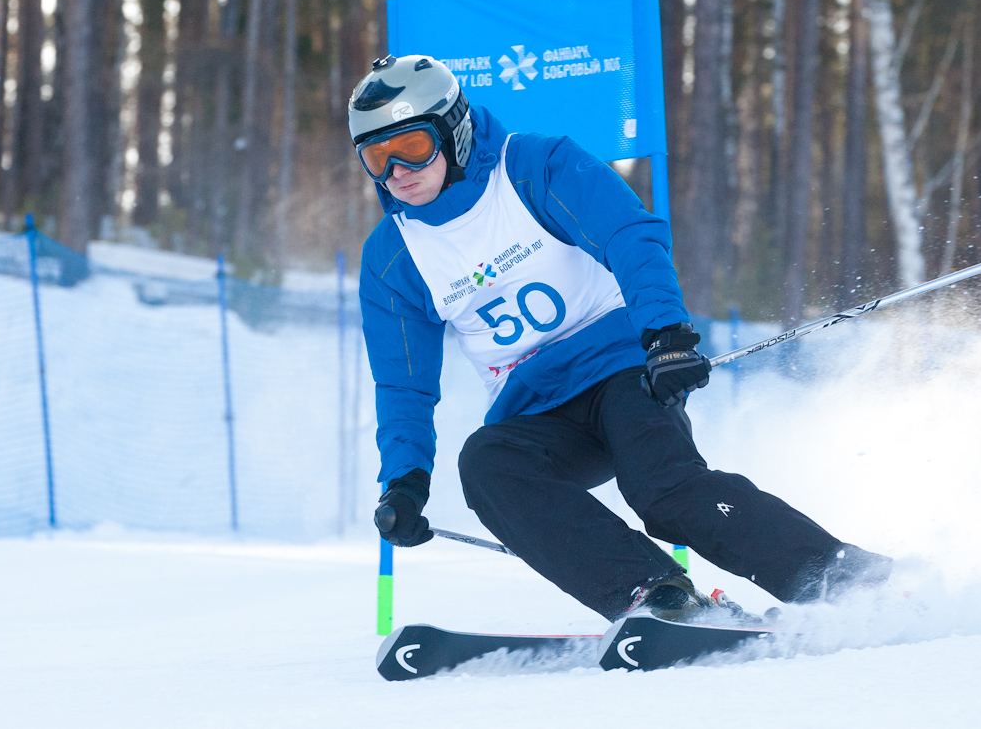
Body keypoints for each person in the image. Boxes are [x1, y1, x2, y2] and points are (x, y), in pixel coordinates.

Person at [353, 54, 890, 622]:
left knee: (662, 490)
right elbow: (403, 385)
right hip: (538, 410)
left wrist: (666, 333)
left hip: (624, 370)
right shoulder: (392, 257)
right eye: (376, 157)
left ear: (453, 129)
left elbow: (627, 235)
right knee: (487, 465)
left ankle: (845, 579)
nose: (397, 172)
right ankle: (656, 597)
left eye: (411, 146)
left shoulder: (535, 166)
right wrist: (404, 482)